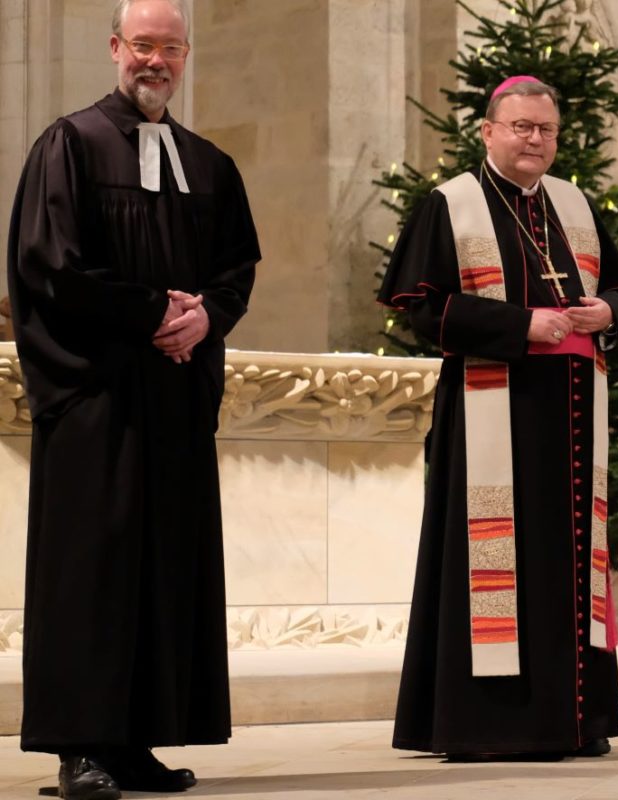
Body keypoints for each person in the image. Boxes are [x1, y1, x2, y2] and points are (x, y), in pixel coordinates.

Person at [5, 1, 259, 797]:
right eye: (143, 46)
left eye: (171, 49)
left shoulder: (209, 162)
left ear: (187, 58)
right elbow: (49, 266)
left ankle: (136, 741)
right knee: (90, 572)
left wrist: (205, 319)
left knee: (163, 568)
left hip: (175, 400)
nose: (156, 61)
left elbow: (237, 268)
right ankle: (79, 747)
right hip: (97, 397)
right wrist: (154, 314)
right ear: (116, 48)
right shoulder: (70, 144)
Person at [380, 76, 618, 760]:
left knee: (567, 564)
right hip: (489, 419)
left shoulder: (574, 205)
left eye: (545, 130)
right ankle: (487, 724)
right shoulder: (452, 204)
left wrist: (607, 313)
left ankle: (574, 720)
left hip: (573, 423)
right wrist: (522, 326)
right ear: (489, 131)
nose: (534, 140)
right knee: (496, 566)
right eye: (521, 127)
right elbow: (417, 308)